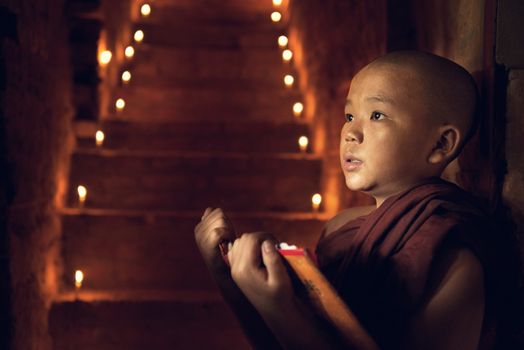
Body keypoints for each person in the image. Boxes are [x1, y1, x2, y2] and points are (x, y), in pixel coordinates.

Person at [194, 51, 518, 349]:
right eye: (350, 116)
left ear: (441, 144)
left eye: (377, 115)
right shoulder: (340, 228)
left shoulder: (451, 256)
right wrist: (228, 277)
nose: (351, 133)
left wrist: (280, 308)